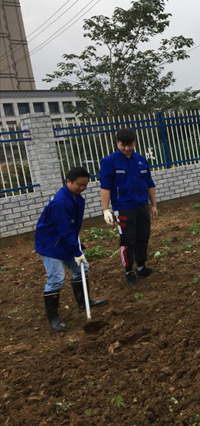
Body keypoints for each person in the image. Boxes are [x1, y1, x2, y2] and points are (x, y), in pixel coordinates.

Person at [35, 167, 108, 332]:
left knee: (82, 268)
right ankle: (53, 319)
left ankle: (84, 302)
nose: (82, 188)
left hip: (65, 240)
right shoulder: (60, 203)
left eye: (85, 185)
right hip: (50, 244)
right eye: (79, 185)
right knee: (56, 278)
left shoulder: (75, 198)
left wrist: (76, 245)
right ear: (68, 182)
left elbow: (70, 227)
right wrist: (77, 251)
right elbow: (64, 230)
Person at [100, 129, 158, 288]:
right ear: (117, 143)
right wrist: (106, 209)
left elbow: (149, 183)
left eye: (130, 145)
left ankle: (141, 267)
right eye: (123, 145)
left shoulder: (141, 160)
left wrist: (153, 205)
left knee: (143, 237)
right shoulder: (109, 162)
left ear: (135, 143)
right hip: (124, 207)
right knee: (127, 240)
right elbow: (105, 187)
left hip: (142, 205)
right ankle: (129, 272)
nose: (126, 148)